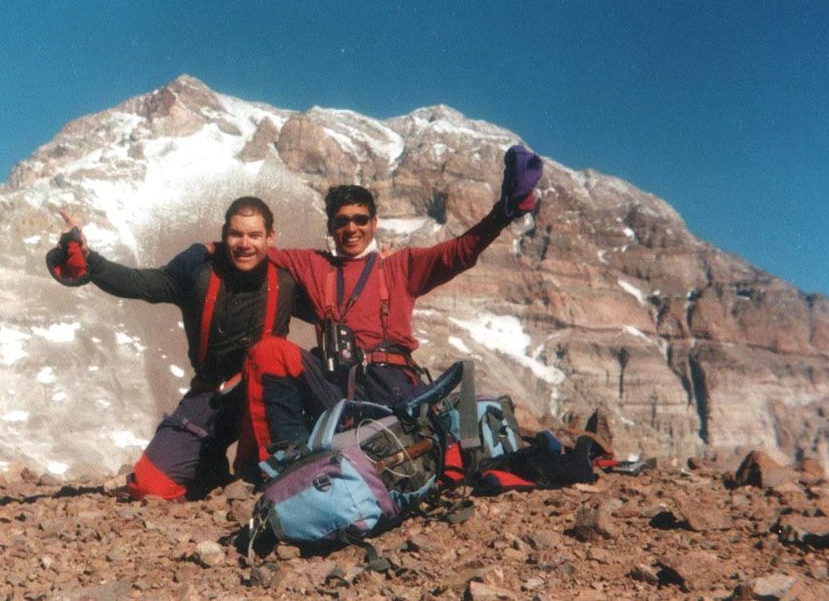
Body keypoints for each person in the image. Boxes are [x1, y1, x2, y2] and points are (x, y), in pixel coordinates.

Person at [243, 144, 544, 462]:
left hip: (393, 385)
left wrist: (501, 215)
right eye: (341, 221)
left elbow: (457, 252)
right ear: (330, 227)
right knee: (269, 353)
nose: (351, 229)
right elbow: (252, 253)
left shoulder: (401, 267)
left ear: (374, 224)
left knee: (425, 452)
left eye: (360, 219)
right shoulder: (313, 264)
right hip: (334, 384)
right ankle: (289, 462)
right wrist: (213, 249)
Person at [46, 197, 302, 500]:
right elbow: (139, 283)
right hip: (209, 398)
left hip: (266, 397)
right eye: (236, 234)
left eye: (254, 235)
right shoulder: (199, 275)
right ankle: (208, 468)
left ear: (270, 237)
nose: (244, 244)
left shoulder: (289, 281)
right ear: (224, 235)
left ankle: (260, 471)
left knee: (270, 475)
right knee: (149, 487)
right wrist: (89, 258)